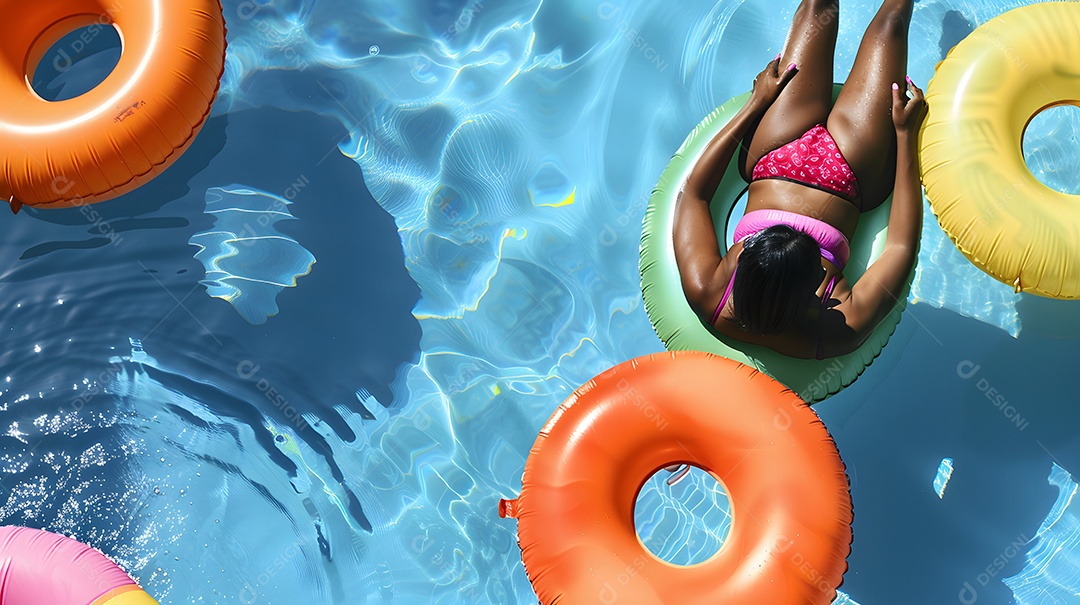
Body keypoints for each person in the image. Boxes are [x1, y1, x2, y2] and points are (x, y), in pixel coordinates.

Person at [673, 0, 926, 360]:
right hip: (850, 175)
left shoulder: (707, 289)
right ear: (812, 290)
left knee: (817, 7)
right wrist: (905, 136)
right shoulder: (840, 328)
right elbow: (901, 246)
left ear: (743, 264)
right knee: (890, 28)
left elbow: (694, 196)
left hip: (775, 156)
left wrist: (756, 103)